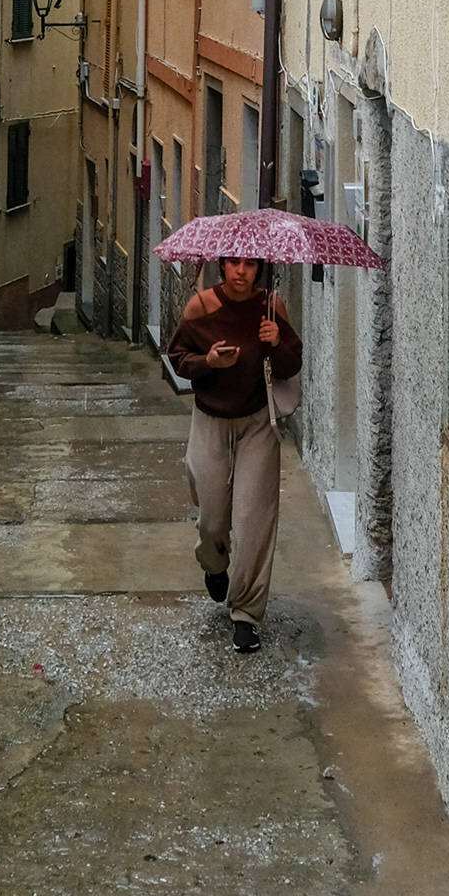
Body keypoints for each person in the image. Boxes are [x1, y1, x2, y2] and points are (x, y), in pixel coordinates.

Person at [167, 255, 303, 654]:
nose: (242, 271)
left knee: (253, 521)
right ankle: (214, 565)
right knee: (212, 518)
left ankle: (245, 614)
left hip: (257, 424)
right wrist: (207, 361)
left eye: (250, 264)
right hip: (210, 422)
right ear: (223, 266)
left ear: (258, 269)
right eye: (234, 264)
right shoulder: (201, 307)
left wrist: (276, 342)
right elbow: (178, 359)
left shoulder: (271, 307)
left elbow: (292, 363)